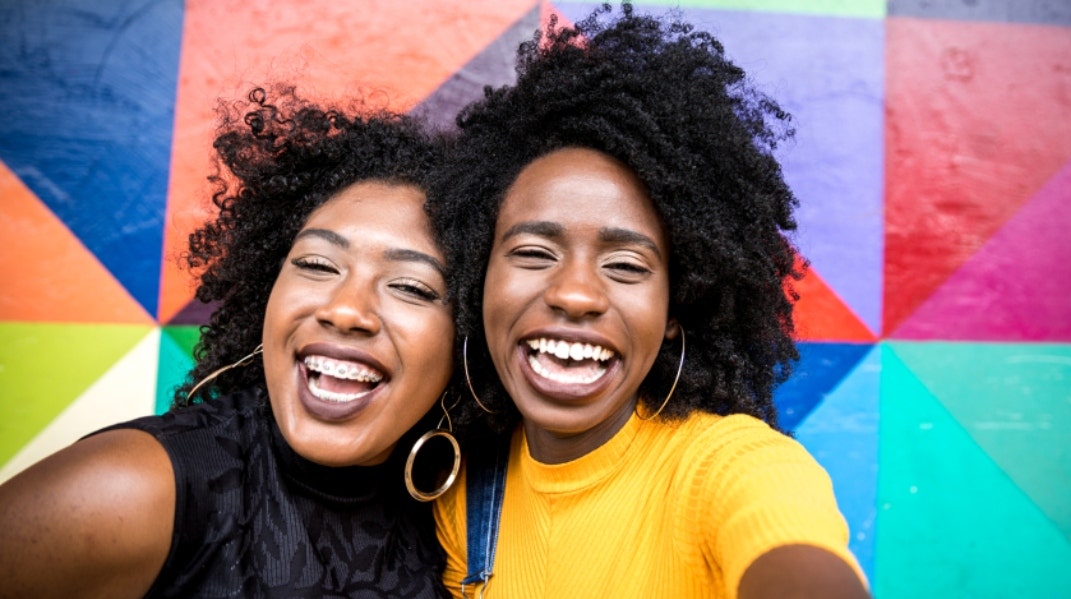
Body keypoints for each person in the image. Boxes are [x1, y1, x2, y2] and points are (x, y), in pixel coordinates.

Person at [429, 4, 870, 598]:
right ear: (478, 279)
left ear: (674, 310)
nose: (575, 294)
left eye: (626, 266)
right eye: (534, 253)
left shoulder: (728, 467)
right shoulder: (465, 495)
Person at [0, 88, 458, 598]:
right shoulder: (130, 488)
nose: (345, 309)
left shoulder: (465, 511)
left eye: (411, 287)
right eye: (316, 265)